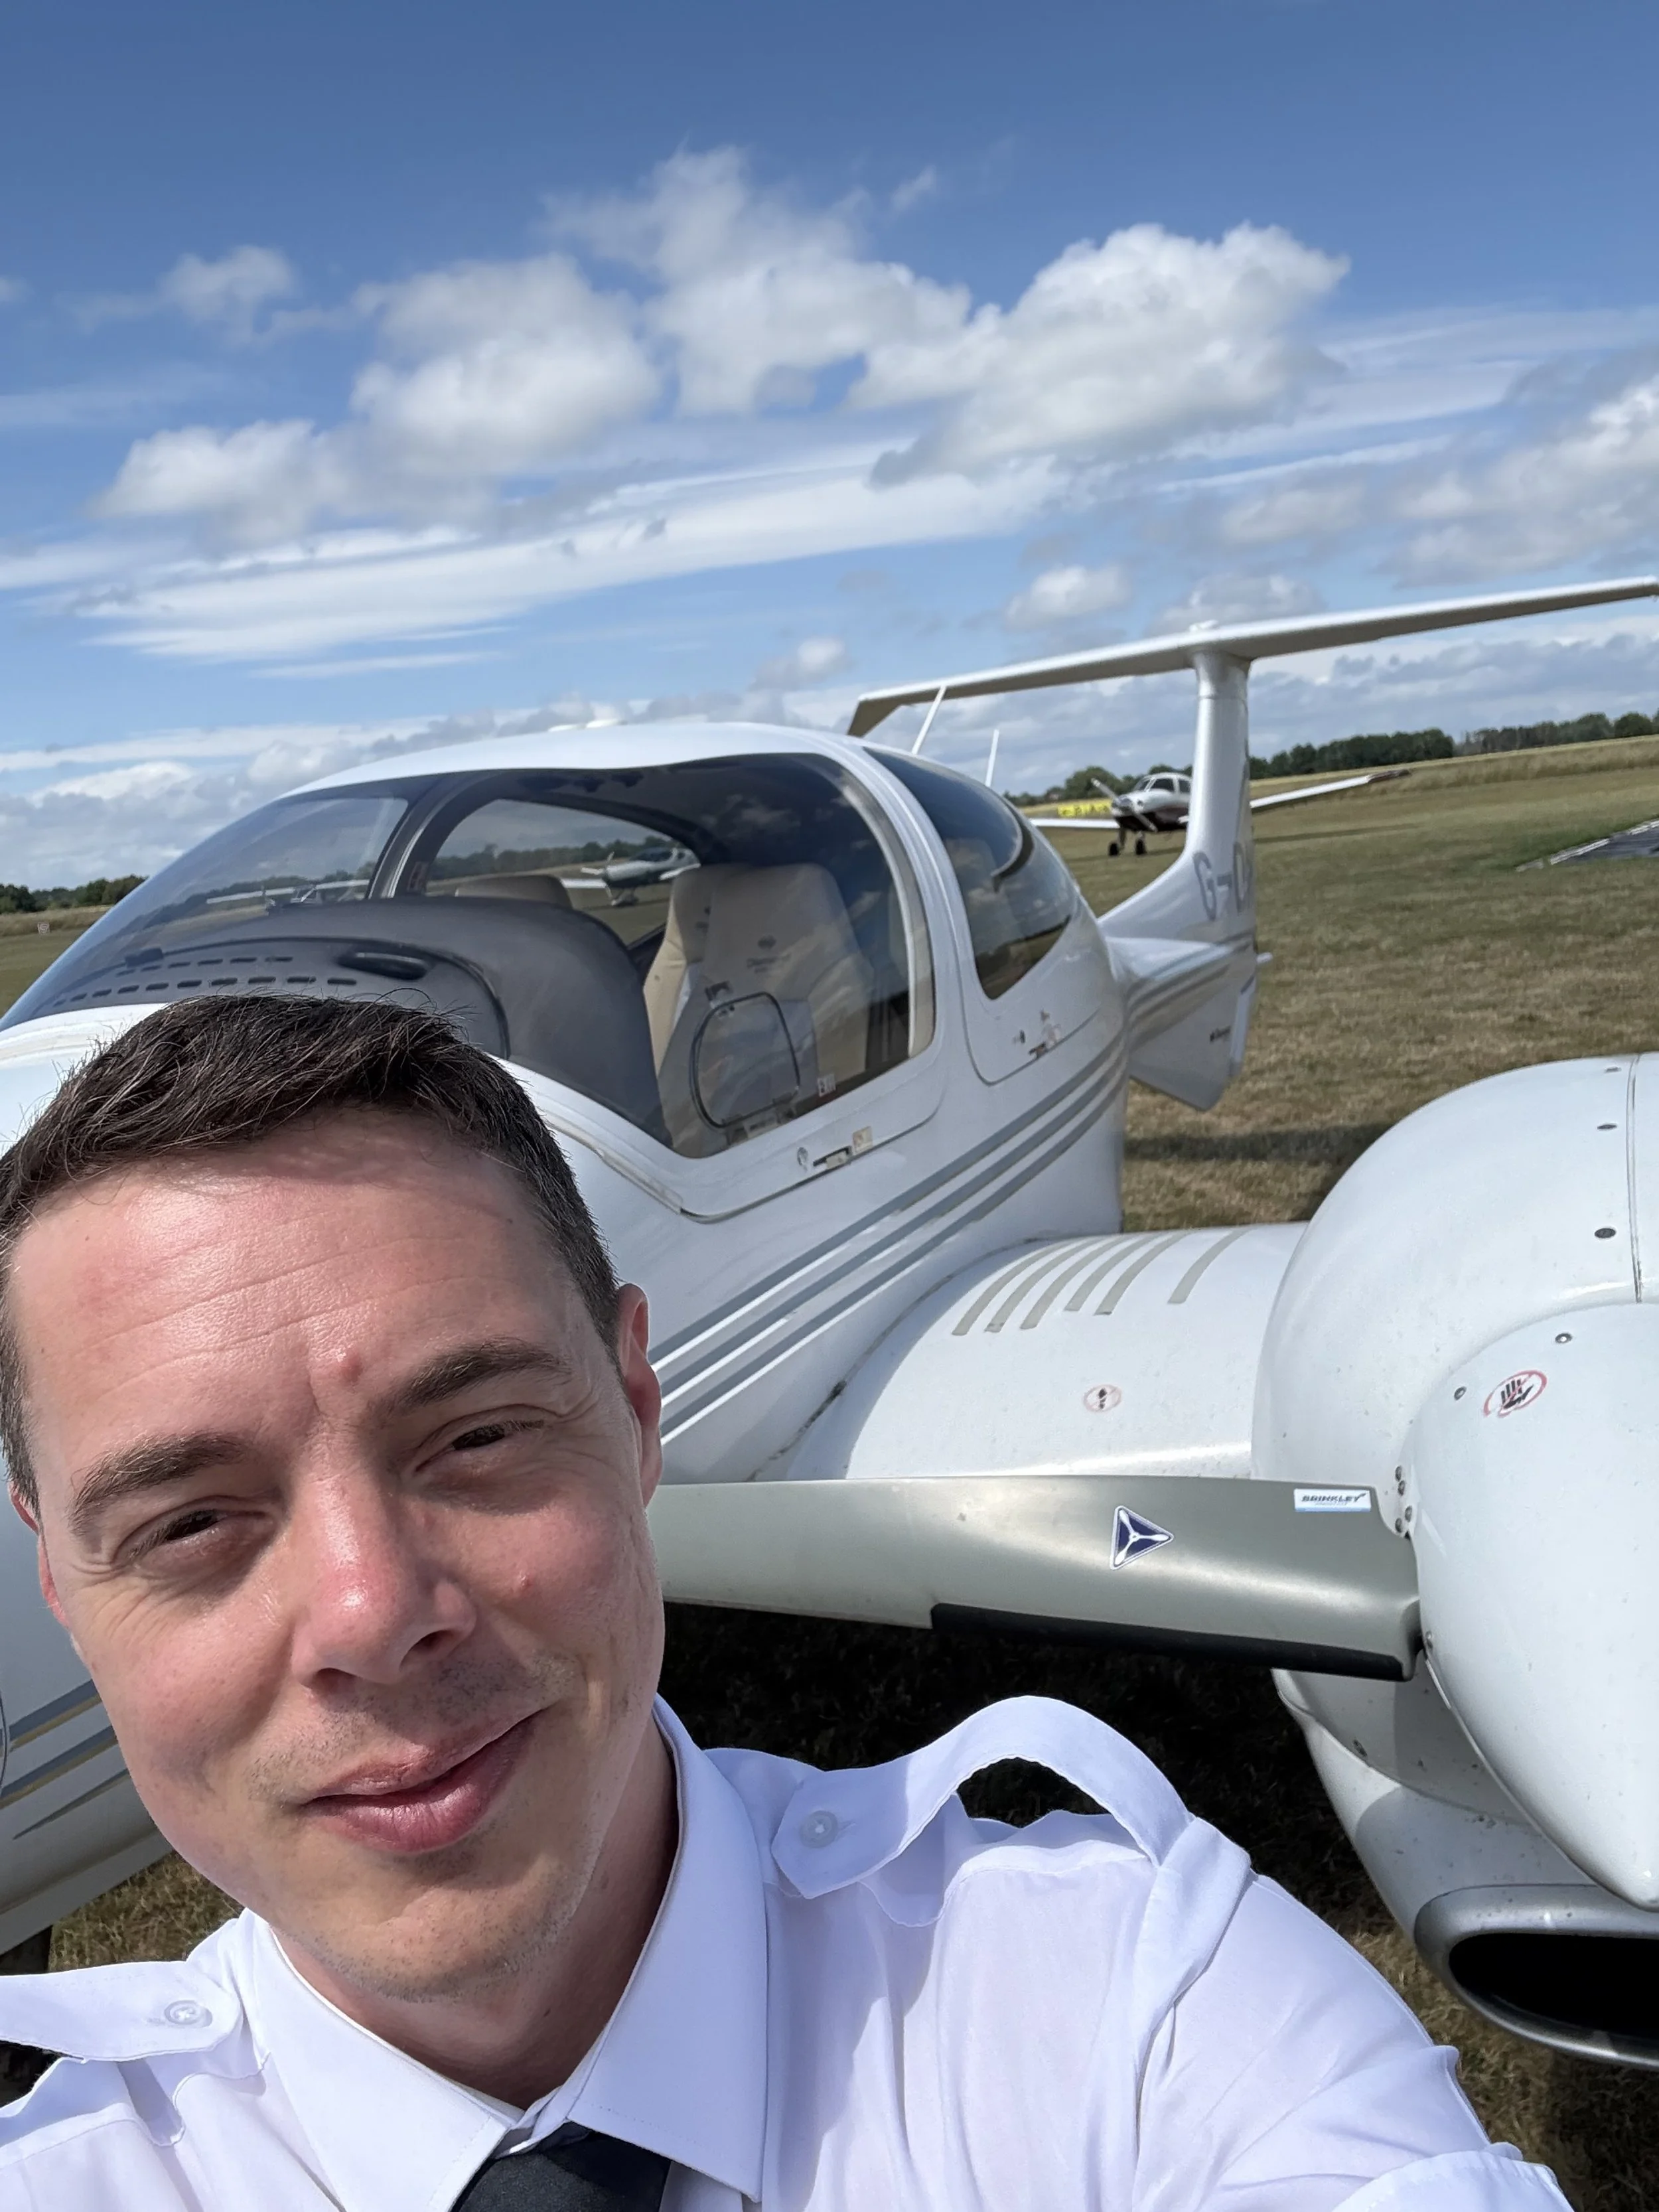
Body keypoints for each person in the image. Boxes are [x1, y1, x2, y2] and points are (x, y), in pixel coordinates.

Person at [0, 996, 1565, 2211]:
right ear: (53, 1567)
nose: (368, 1609)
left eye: (475, 1433)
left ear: (635, 1397)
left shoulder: (1137, 1999)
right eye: (190, 1520)